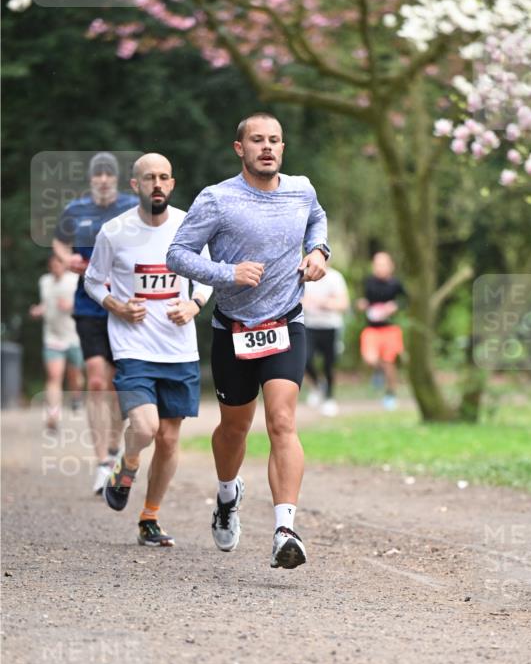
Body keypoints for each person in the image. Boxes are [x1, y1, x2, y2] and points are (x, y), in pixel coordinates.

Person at [166, 112, 330, 569]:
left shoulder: (302, 189)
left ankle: (285, 529)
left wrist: (319, 252)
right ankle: (226, 494)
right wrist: (227, 274)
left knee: (281, 421)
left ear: (283, 147)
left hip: (286, 323)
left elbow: (317, 220)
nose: (267, 147)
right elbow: (176, 254)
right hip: (234, 328)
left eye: (275, 140)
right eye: (257, 140)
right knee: (235, 427)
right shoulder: (217, 199)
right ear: (240, 148)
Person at [84, 153, 212, 547]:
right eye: (148, 178)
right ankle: (129, 461)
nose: (156, 184)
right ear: (134, 186)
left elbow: (208, 276)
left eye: (163, 177)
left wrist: (194, 304)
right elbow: (92, 281)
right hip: (133, 346)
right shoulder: (114, 231)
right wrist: (116, 305)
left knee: (170, 441)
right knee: (145, 428)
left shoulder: (188, 225)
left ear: (171, 184)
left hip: (179, 349)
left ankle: (149, 518)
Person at [53, 152, 138, 494]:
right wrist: (67, 258)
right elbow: (59, 242)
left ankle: (116, 451)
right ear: (91, 179)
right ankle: (102, 462)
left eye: (108, 174)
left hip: (122, 303)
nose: (103, 179)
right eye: (97, 175)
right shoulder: (76, 210)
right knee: (97, 380)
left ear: (115, 179)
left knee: (118, 385)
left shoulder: (133, 207)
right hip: (88, 304)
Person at [29, 253, 84, 432]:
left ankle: (76, 396)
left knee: (74, 376)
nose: (56, 268)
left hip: (74, 336)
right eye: (52, 265)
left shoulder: (75, 280)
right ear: (49, 267)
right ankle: (53, 416)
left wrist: (71, 306)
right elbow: (46, 304)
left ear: (64, 265)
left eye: (58, 265)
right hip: (52, 337)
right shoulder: (44, 281)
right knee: (54, 376)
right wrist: (38, 310)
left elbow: (87, 304)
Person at [358, 251, 405, 410]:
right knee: (370, 359)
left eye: (383, 264)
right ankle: (378, 371)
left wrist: (395, 306)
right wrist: (362, 304)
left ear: (391, 266)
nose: (380, 268)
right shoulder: (368, 282)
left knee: (389, 363)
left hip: (390, 329)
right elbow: (363, 300)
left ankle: (391, 393)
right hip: (371, 328)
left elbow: (405, 301)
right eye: (377, 264)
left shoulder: (396, 284)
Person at [303, 267, 349, 416]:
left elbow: (343, 304)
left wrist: (323, 303)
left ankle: (329, 398)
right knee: (305, 359)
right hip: (309, 326)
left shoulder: (335, 277)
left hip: (330, 327)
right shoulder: (303, 276)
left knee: (329, 364)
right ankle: (317, 386)